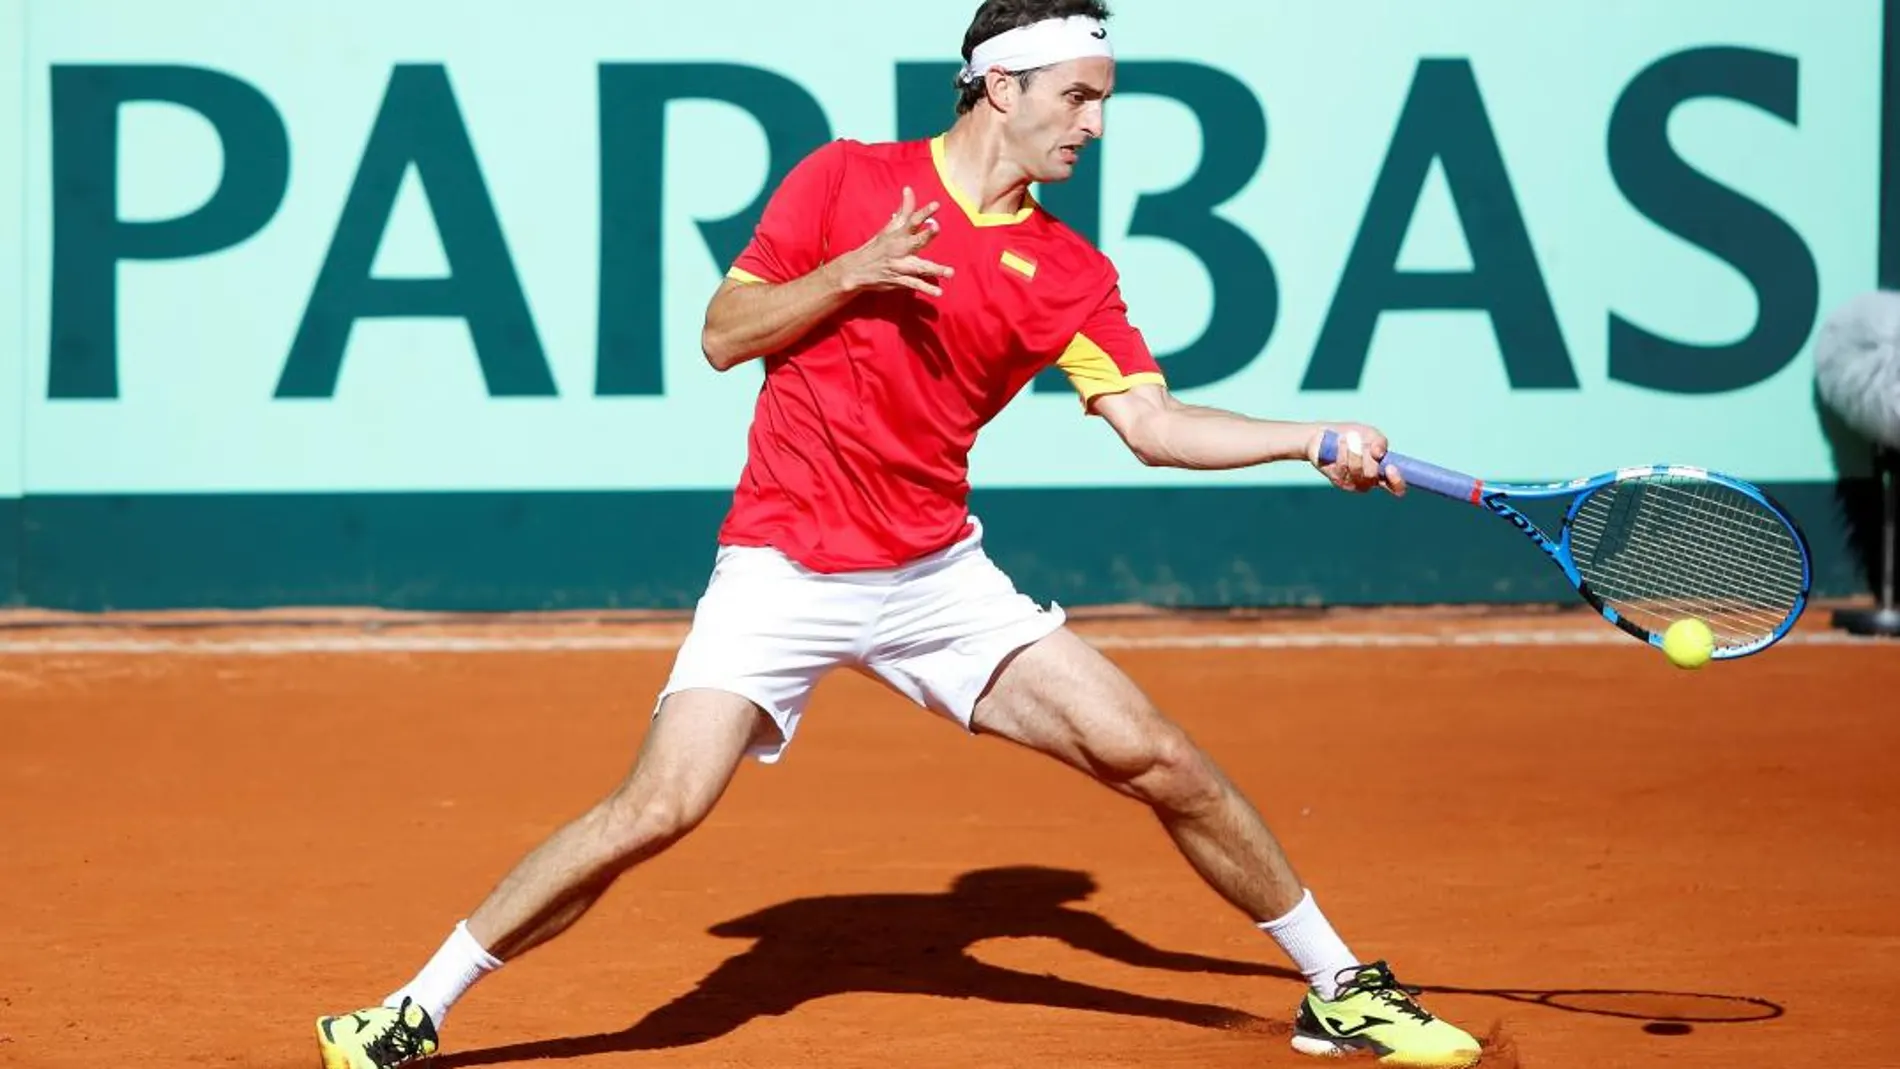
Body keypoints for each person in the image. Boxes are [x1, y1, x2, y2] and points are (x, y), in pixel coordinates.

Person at [315, 2, 1483, 1067]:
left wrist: (1306, 438)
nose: (1093, 125)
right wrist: (854, 272)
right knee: (658, 809)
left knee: (1162, 758)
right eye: (1076, 97)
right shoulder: (843, 179)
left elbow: (1155, 424)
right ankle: (410, 1008)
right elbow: (725, 335)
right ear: (997, 86)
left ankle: (1337, 985)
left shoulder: (1067, 274)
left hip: (935, 577)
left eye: (1102, 101)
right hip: (781, 565)